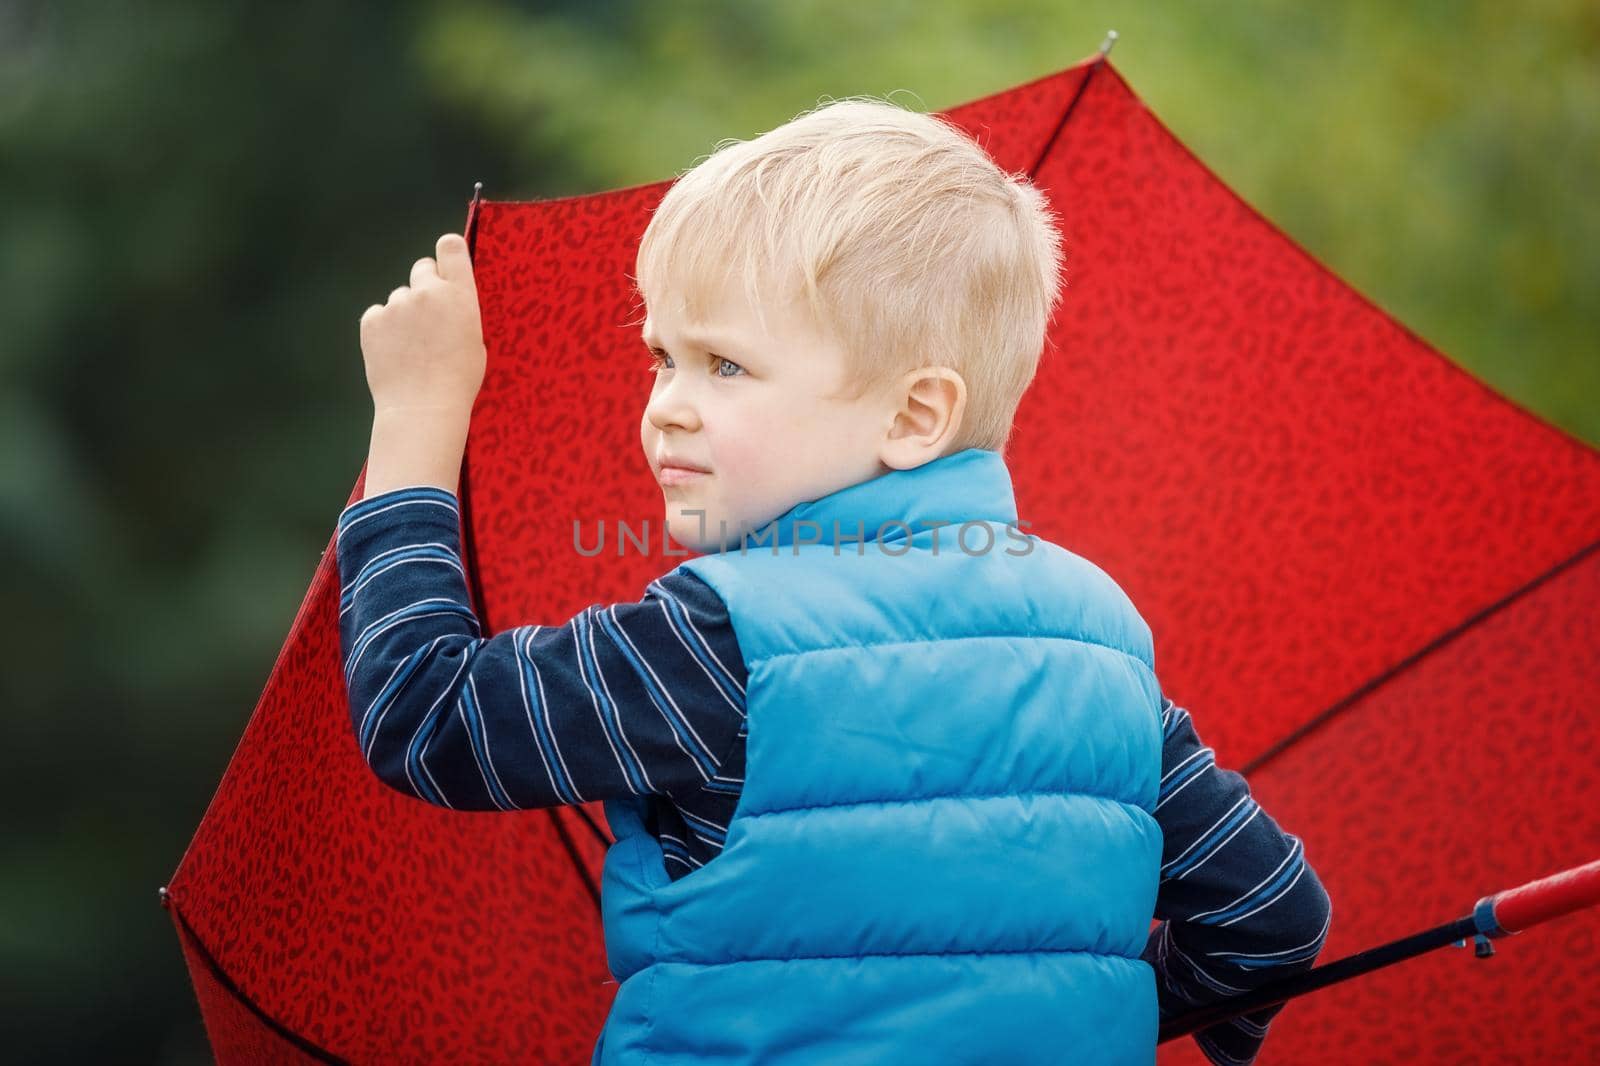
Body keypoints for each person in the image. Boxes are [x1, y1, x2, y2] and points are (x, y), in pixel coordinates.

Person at [338, 97, 1331, 1065]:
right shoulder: (1100, 645)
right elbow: (1269, 914)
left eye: (724, 365)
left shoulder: (718, 643)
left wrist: (418, 419)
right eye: (660, 357)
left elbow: (428, 712)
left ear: (912, 417)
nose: (668, 407)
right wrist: (1050, 1006)